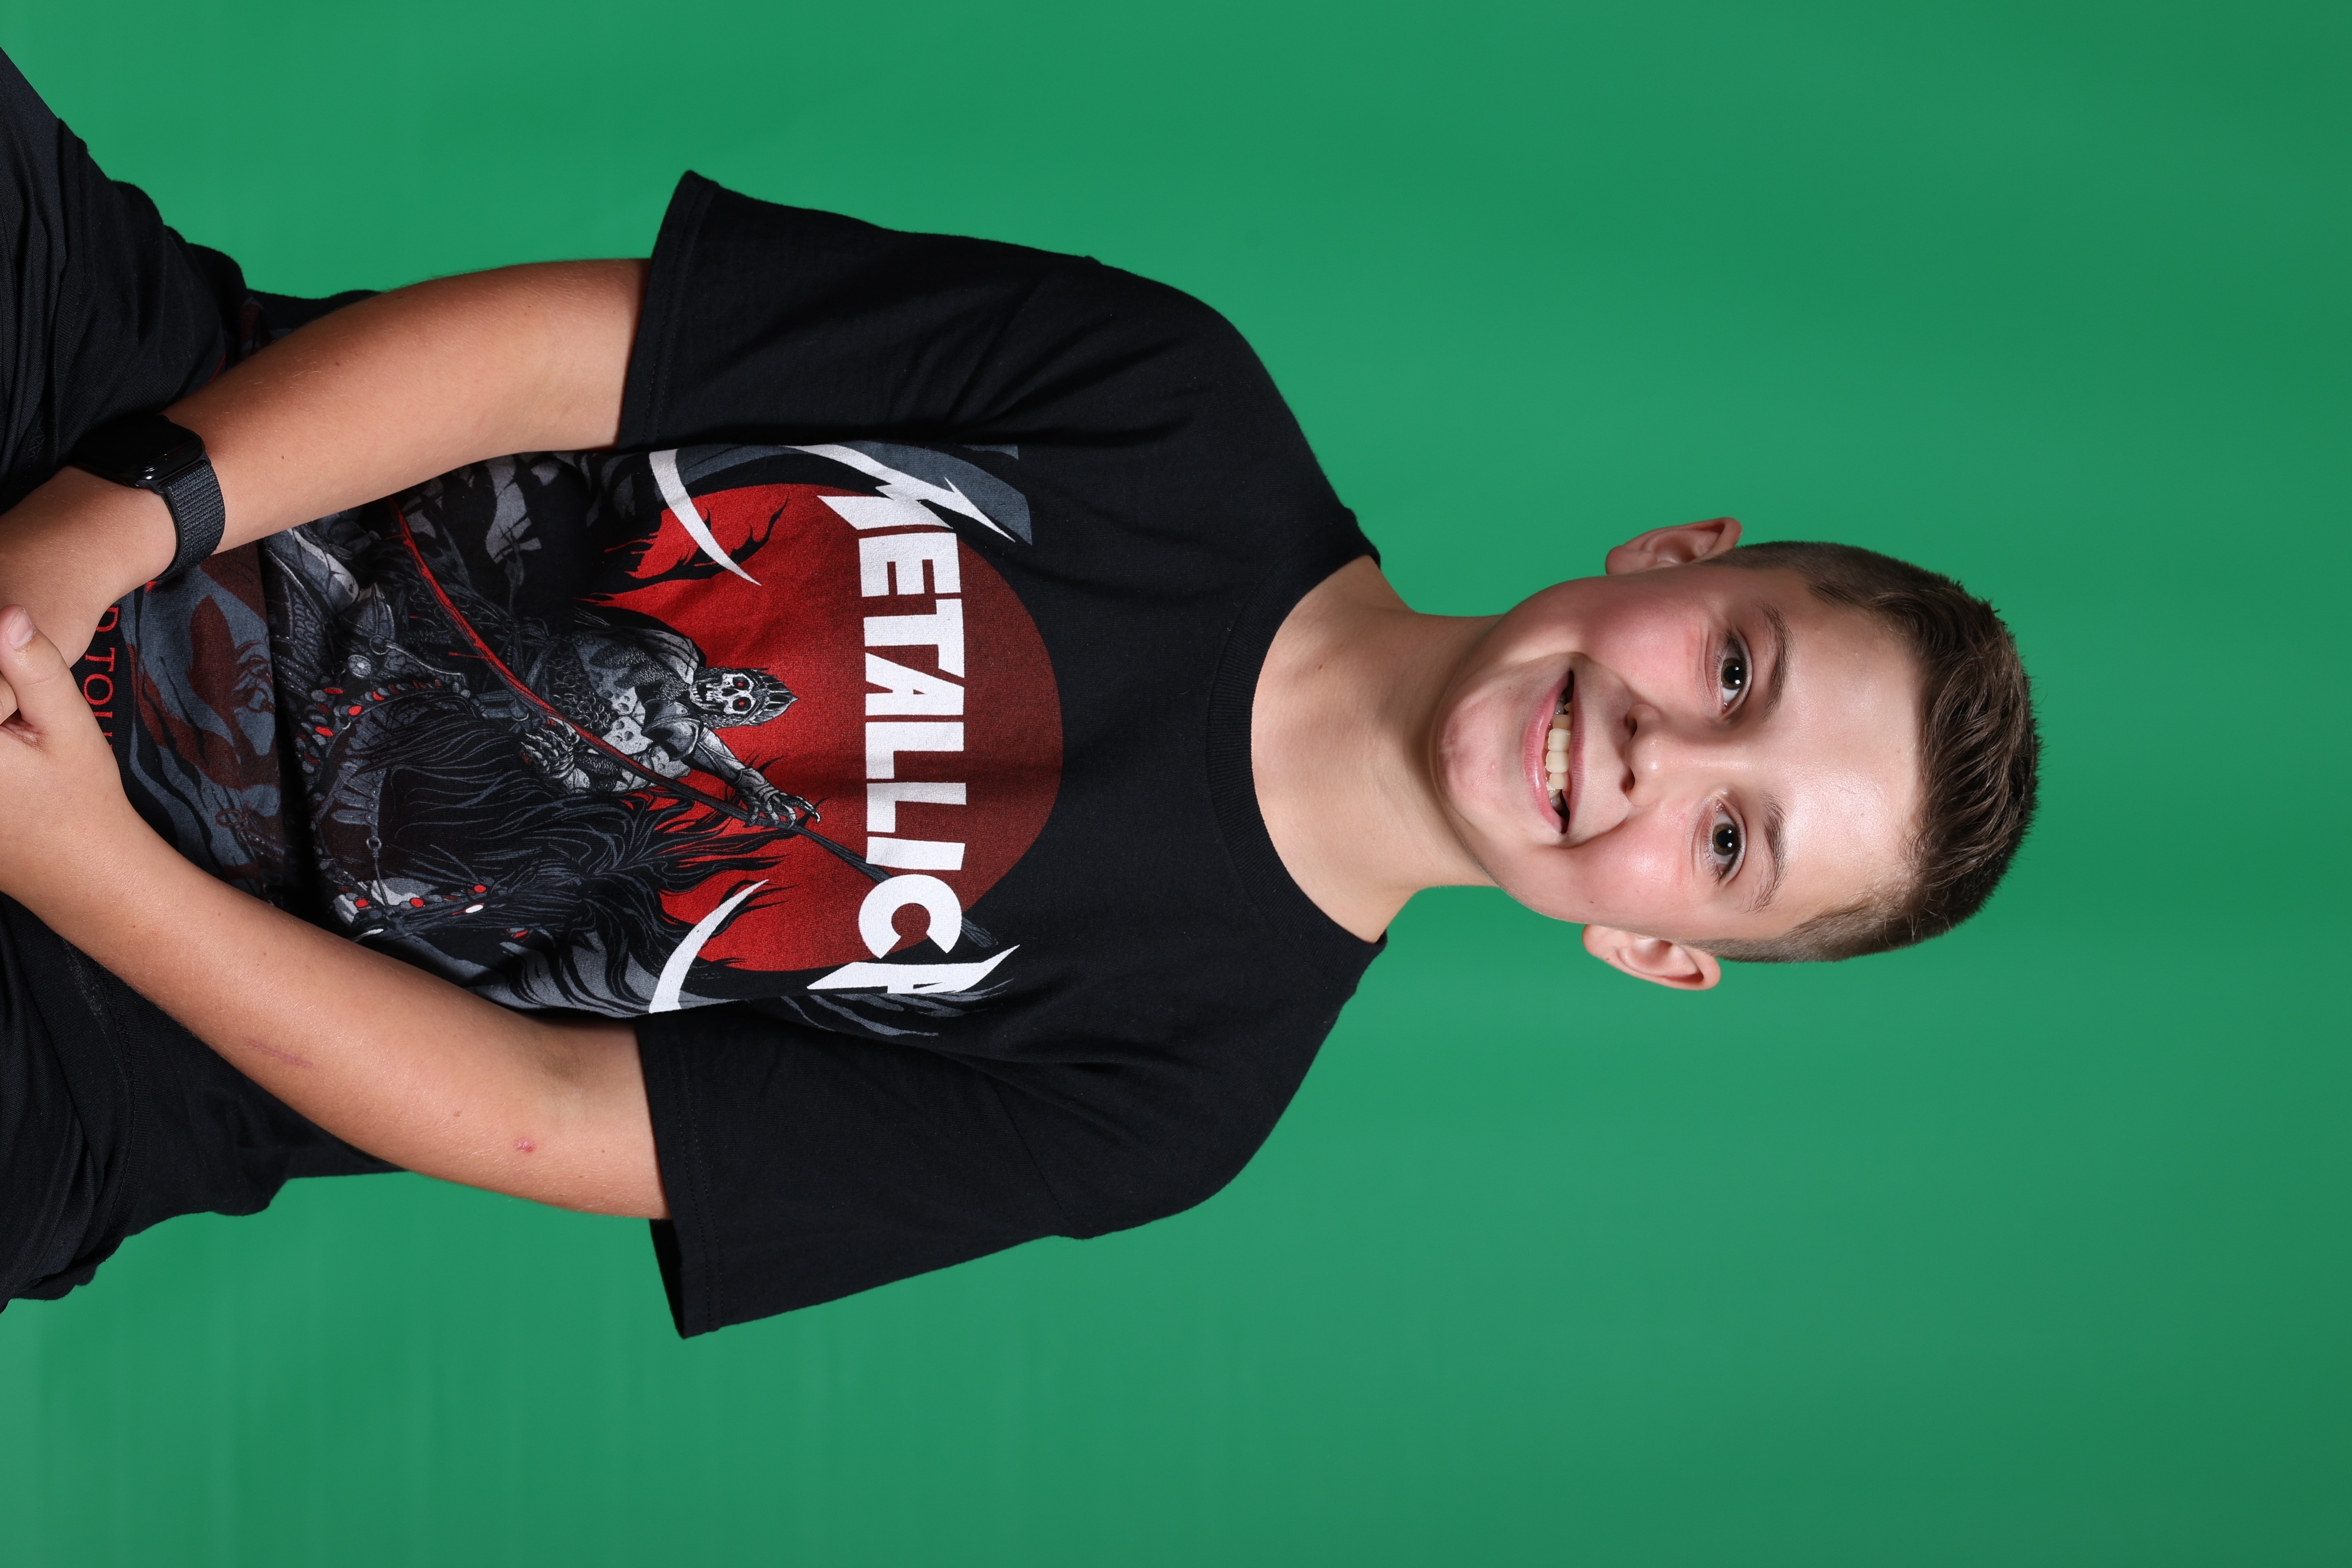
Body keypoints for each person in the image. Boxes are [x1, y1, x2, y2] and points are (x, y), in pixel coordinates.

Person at [0, 50, 2036, 1333]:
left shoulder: (1172, 1096)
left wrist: (83, 866)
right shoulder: (1175, 405)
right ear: (1678, 558)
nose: (1666, 753)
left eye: (1734, 840)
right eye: (1738, 668)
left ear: (1661, 949)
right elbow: (560, 356)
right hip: (146, 425)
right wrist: (111, 525)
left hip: (132, 1008)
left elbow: (549, 1114)